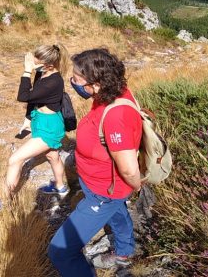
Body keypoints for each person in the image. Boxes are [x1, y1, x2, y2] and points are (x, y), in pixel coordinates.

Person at [48, 48, 142, 275]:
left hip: (105, 191)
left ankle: (123, 253)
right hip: (99, 184)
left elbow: (129, 169)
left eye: (77, 79)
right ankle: (125, 252)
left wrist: (137, 186)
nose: (72, 81)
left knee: (61, 251)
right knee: (118, 214)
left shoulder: (116, 116)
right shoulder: (109, 95)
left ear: (96, 84)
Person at [0, 44, 69, 216]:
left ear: (49, 64)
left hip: (49, 128)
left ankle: (2, 204)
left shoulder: (54, 81)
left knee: (15, 159)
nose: (33, 62)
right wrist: (28, 118)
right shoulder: (44, 73)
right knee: (52, 155)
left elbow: (24, 96)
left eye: (37, 60)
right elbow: (34, 97)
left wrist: (27, 71)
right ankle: (61, 187)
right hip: (42, 121)